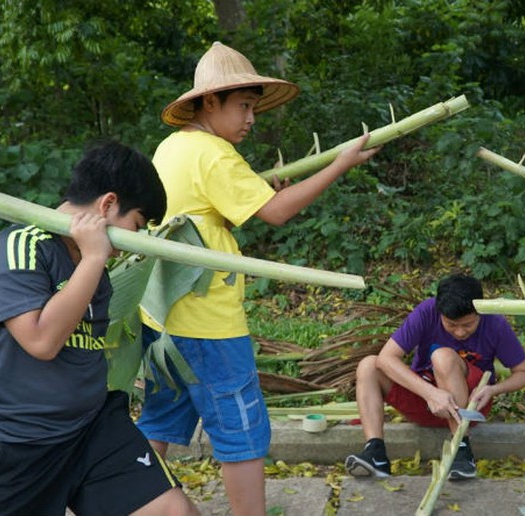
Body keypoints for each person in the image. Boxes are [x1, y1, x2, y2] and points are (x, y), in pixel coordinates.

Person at [136, 42, 382, 516]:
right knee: (241, 430)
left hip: (163, 316)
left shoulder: (172, 147)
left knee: (161, 421)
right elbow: (276, 213)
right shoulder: (216, 154)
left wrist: (249, 203)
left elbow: (199, 219)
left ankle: (133, 503)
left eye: (253, 106)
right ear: (211, 102)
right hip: (208, 323)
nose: (251, 118)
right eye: (244, 106)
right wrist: (340, 164)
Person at [0, 141, 199, 516]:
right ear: (108, 204)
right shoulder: (17, 247)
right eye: (137, 225)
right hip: (11, 446)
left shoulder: (90, 264)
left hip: (90, 432)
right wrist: (95, 257)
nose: (131, 242)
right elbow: (41, 340)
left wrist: (93, 260)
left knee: (173, 511)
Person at [344, 274, 525, 480]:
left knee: (442, 356)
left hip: (470, 407)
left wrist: (493, 389)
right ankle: (376, 453)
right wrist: (431, 394)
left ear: (479, 312)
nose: (460, 332)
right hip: (427, 403)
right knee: (368, 365)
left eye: (468, 325)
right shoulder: (427, 311)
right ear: (440, 312)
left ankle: (461, 450)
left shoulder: (494, 323)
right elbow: (386, 358)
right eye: (451, 325)